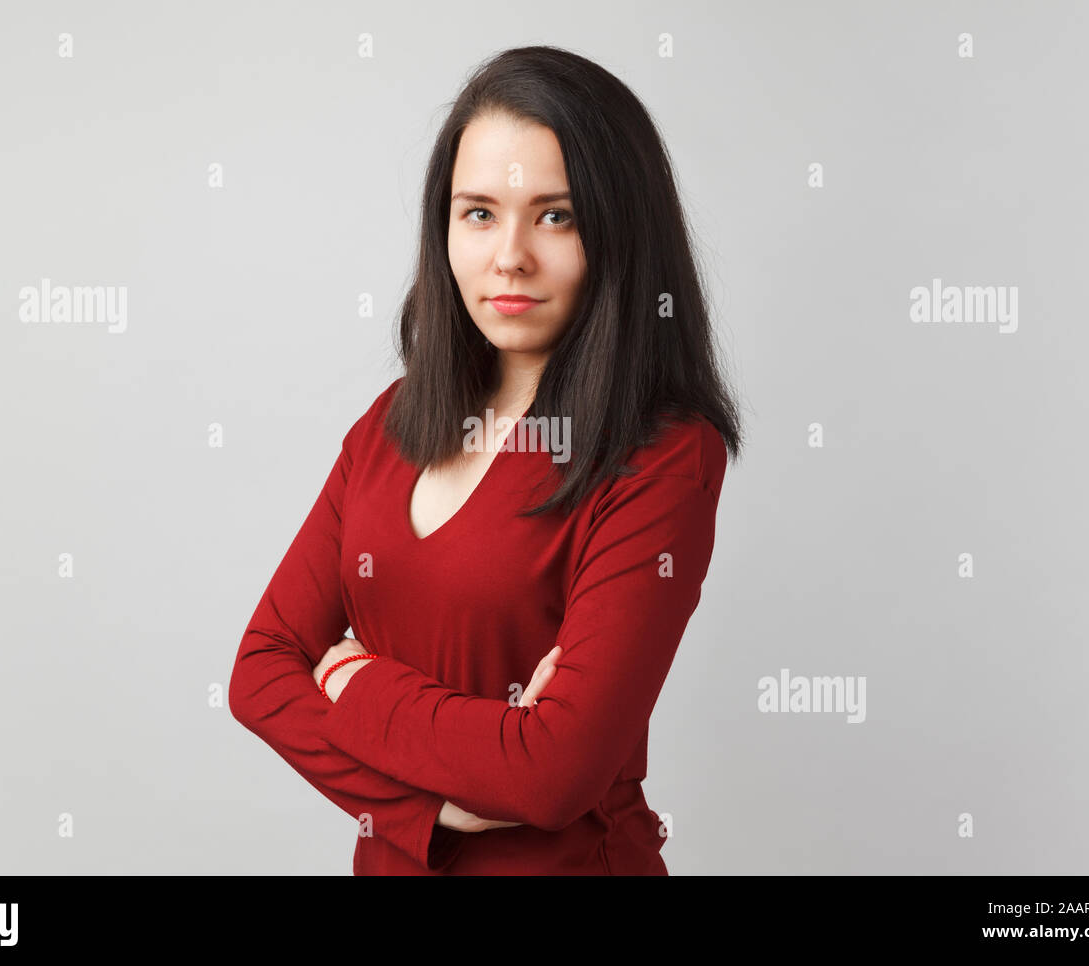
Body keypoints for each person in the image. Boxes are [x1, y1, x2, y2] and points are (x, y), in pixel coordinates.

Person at [229, 45, 744, 875]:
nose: (510, 255)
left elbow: (553, 775)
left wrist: (355, 685)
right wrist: (428, 808)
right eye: (479, 212)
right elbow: (260, 671)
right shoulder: (388, 426)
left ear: (619, 233)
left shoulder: (664, 456)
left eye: (556, 215)